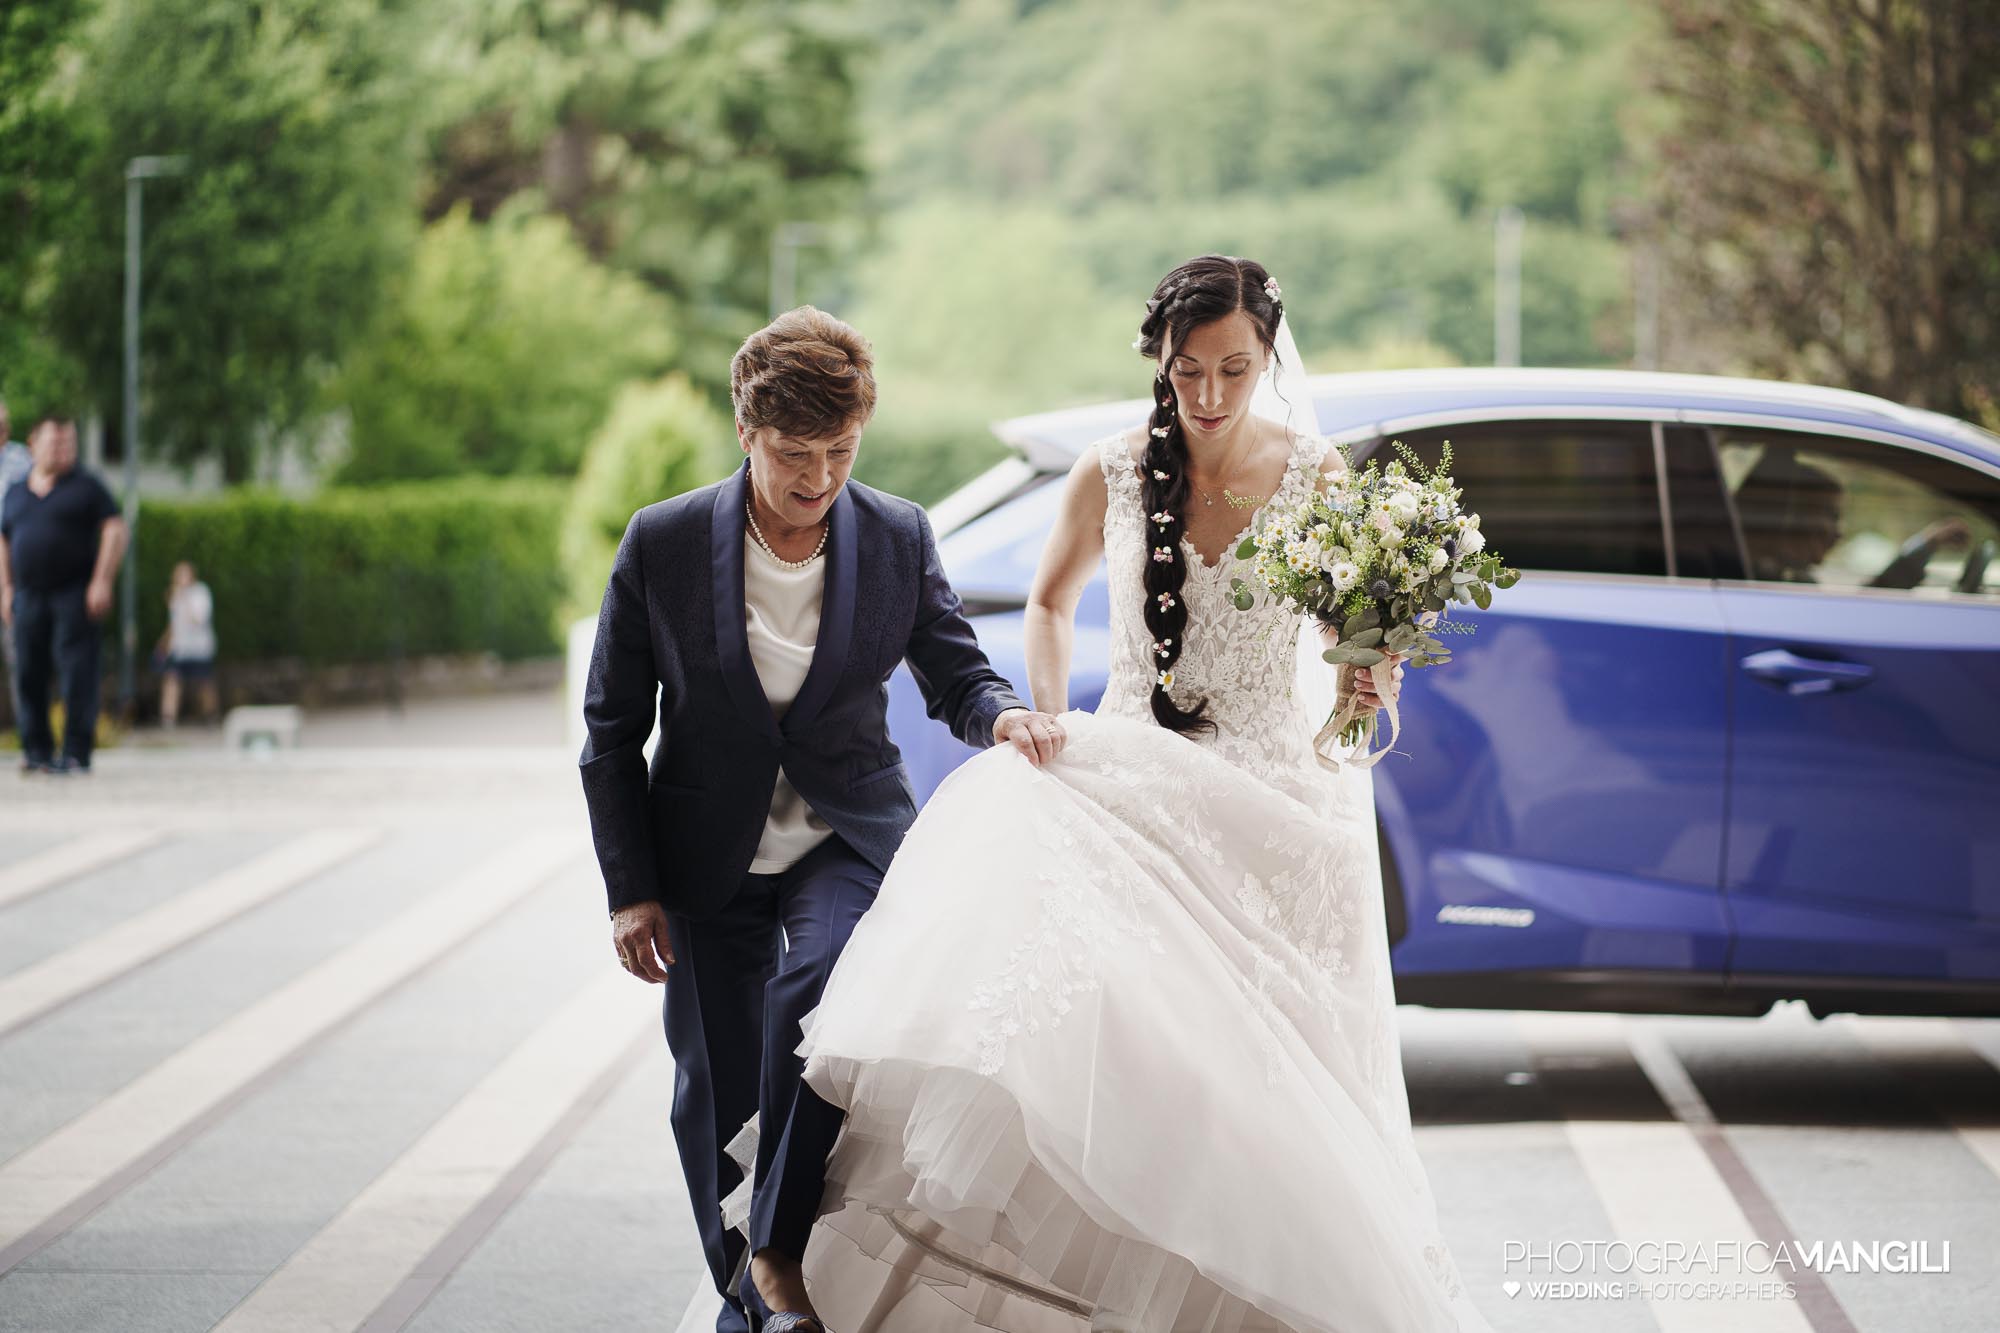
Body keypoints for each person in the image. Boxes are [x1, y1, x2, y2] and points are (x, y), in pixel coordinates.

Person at [781, 256, 1491, 1331]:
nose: (1207, 396)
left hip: (1276, 802)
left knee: (1268, 1096)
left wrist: (1369, 663)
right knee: (1105, 1048)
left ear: (1266, 359)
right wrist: (1051, 713)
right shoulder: (1107, 471)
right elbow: (1050, 600)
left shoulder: (1319, 476)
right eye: (1187, 370)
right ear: (1159, 358)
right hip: (1135, 774)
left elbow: (1359, 631)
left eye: (1233, 371)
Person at [578, 306, 1067, 1333]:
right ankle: (747, 1302)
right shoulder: (662, 544)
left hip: (844, 834)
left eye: (839, 452)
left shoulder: (893, 533)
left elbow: (949, 663)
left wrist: (1003, 713)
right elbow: (612, 731)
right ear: (747, 431)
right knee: (711, 1087)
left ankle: (773, 1257)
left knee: (820, 996)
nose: (817, 478)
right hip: (703, 853)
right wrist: (631, 891)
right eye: (793, 454)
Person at [0, 414, 127, 775]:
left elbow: (115, 530)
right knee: (28, 674)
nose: (63, 449)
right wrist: (5, 588)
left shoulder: (87, 487)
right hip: (28, 595)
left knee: (76, 674)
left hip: (73, 593)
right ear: (33, 445)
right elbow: (3, 541)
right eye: (56, 442)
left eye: (69, 442)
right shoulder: (17, 491)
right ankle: (36, 749)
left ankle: (75, 751)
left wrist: (102, 580)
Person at [156, 560, 218, 726]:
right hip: (180, 648)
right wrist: (165, 642)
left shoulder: (201, 593)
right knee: (172, 680)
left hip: (199, 648)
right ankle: (168, 718)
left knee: (204, 683)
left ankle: (210, 716)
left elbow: (199, 620)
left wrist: (185, 599)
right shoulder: (175, 595)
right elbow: (175, 623)